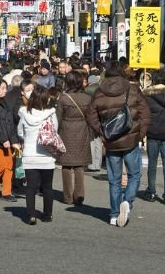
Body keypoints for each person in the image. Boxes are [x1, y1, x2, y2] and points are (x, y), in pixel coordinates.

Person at [86, 61, 150, 228]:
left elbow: (91, 115)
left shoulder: (99, 91)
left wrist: (102, 132)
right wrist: (139, 134)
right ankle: (127, 202)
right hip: (131, 140)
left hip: (111, 140)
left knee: (113, 179)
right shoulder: (132, 89)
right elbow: (145, 114)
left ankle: (114, 215)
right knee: (134, 175)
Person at [17, 84, 58, 225]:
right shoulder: (51, 114)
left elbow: (20, 132)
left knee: (30, 187)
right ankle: (47, 214)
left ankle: (31, 215)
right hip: (46, 156)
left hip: (29, 155)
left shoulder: (25, 114)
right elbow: (55, 131)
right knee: (47, 187)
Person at [55, 71, 94, 206]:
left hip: (66, 130)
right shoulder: (87, 98)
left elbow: (58, 118)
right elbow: (91, 117)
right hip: (82, 130)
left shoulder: (64, 98)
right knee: (79, 165)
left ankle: (67, 196)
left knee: (66, 165)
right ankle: (79, 195)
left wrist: (56, 134)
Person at [142, 70, 165, 205]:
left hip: (153, 133)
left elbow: (145, 116)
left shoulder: (149, 98)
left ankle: (151, 192)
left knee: (152, 164)